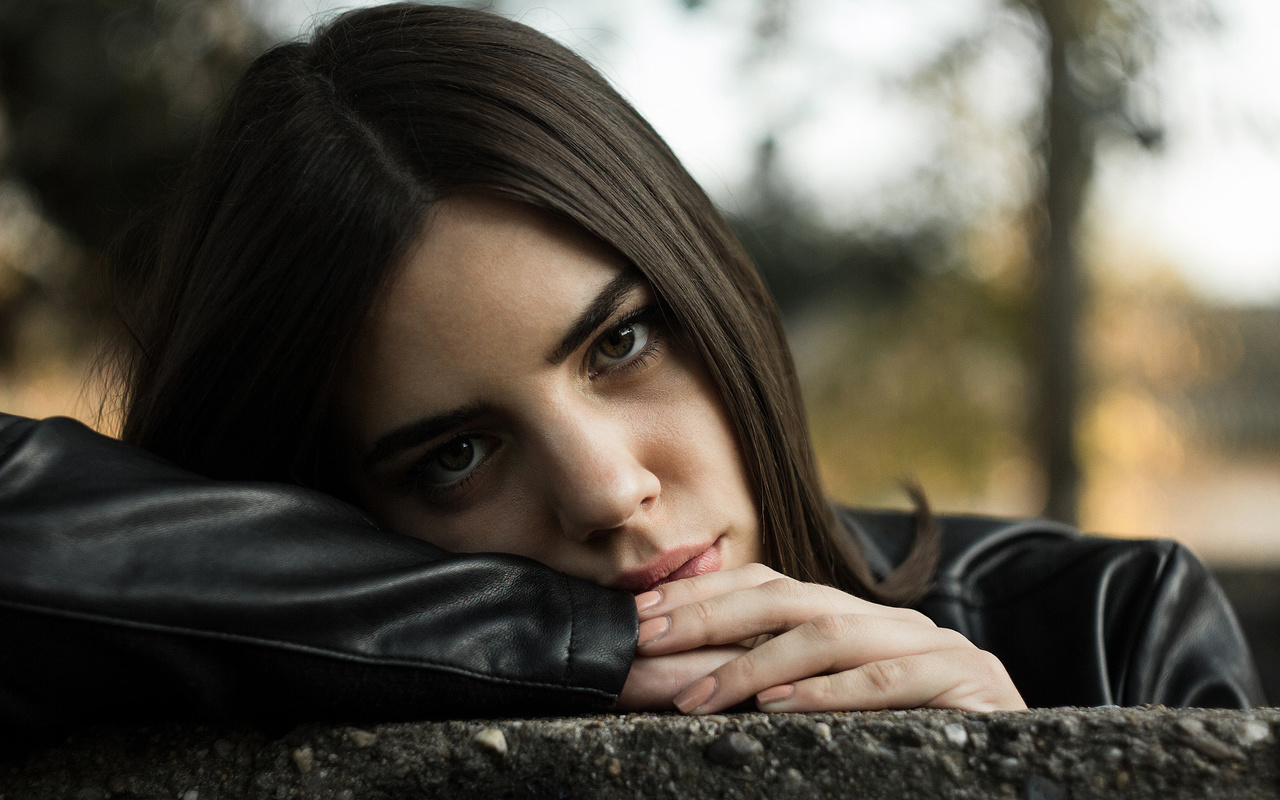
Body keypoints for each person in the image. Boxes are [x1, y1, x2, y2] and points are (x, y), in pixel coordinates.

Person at [0, 3, 1262, 733]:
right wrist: (557, 641)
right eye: (454, 453)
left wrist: (1017, 766)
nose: (606, 491)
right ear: (321, 507)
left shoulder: (1104, 630)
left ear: (709, 289)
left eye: (620, 342)